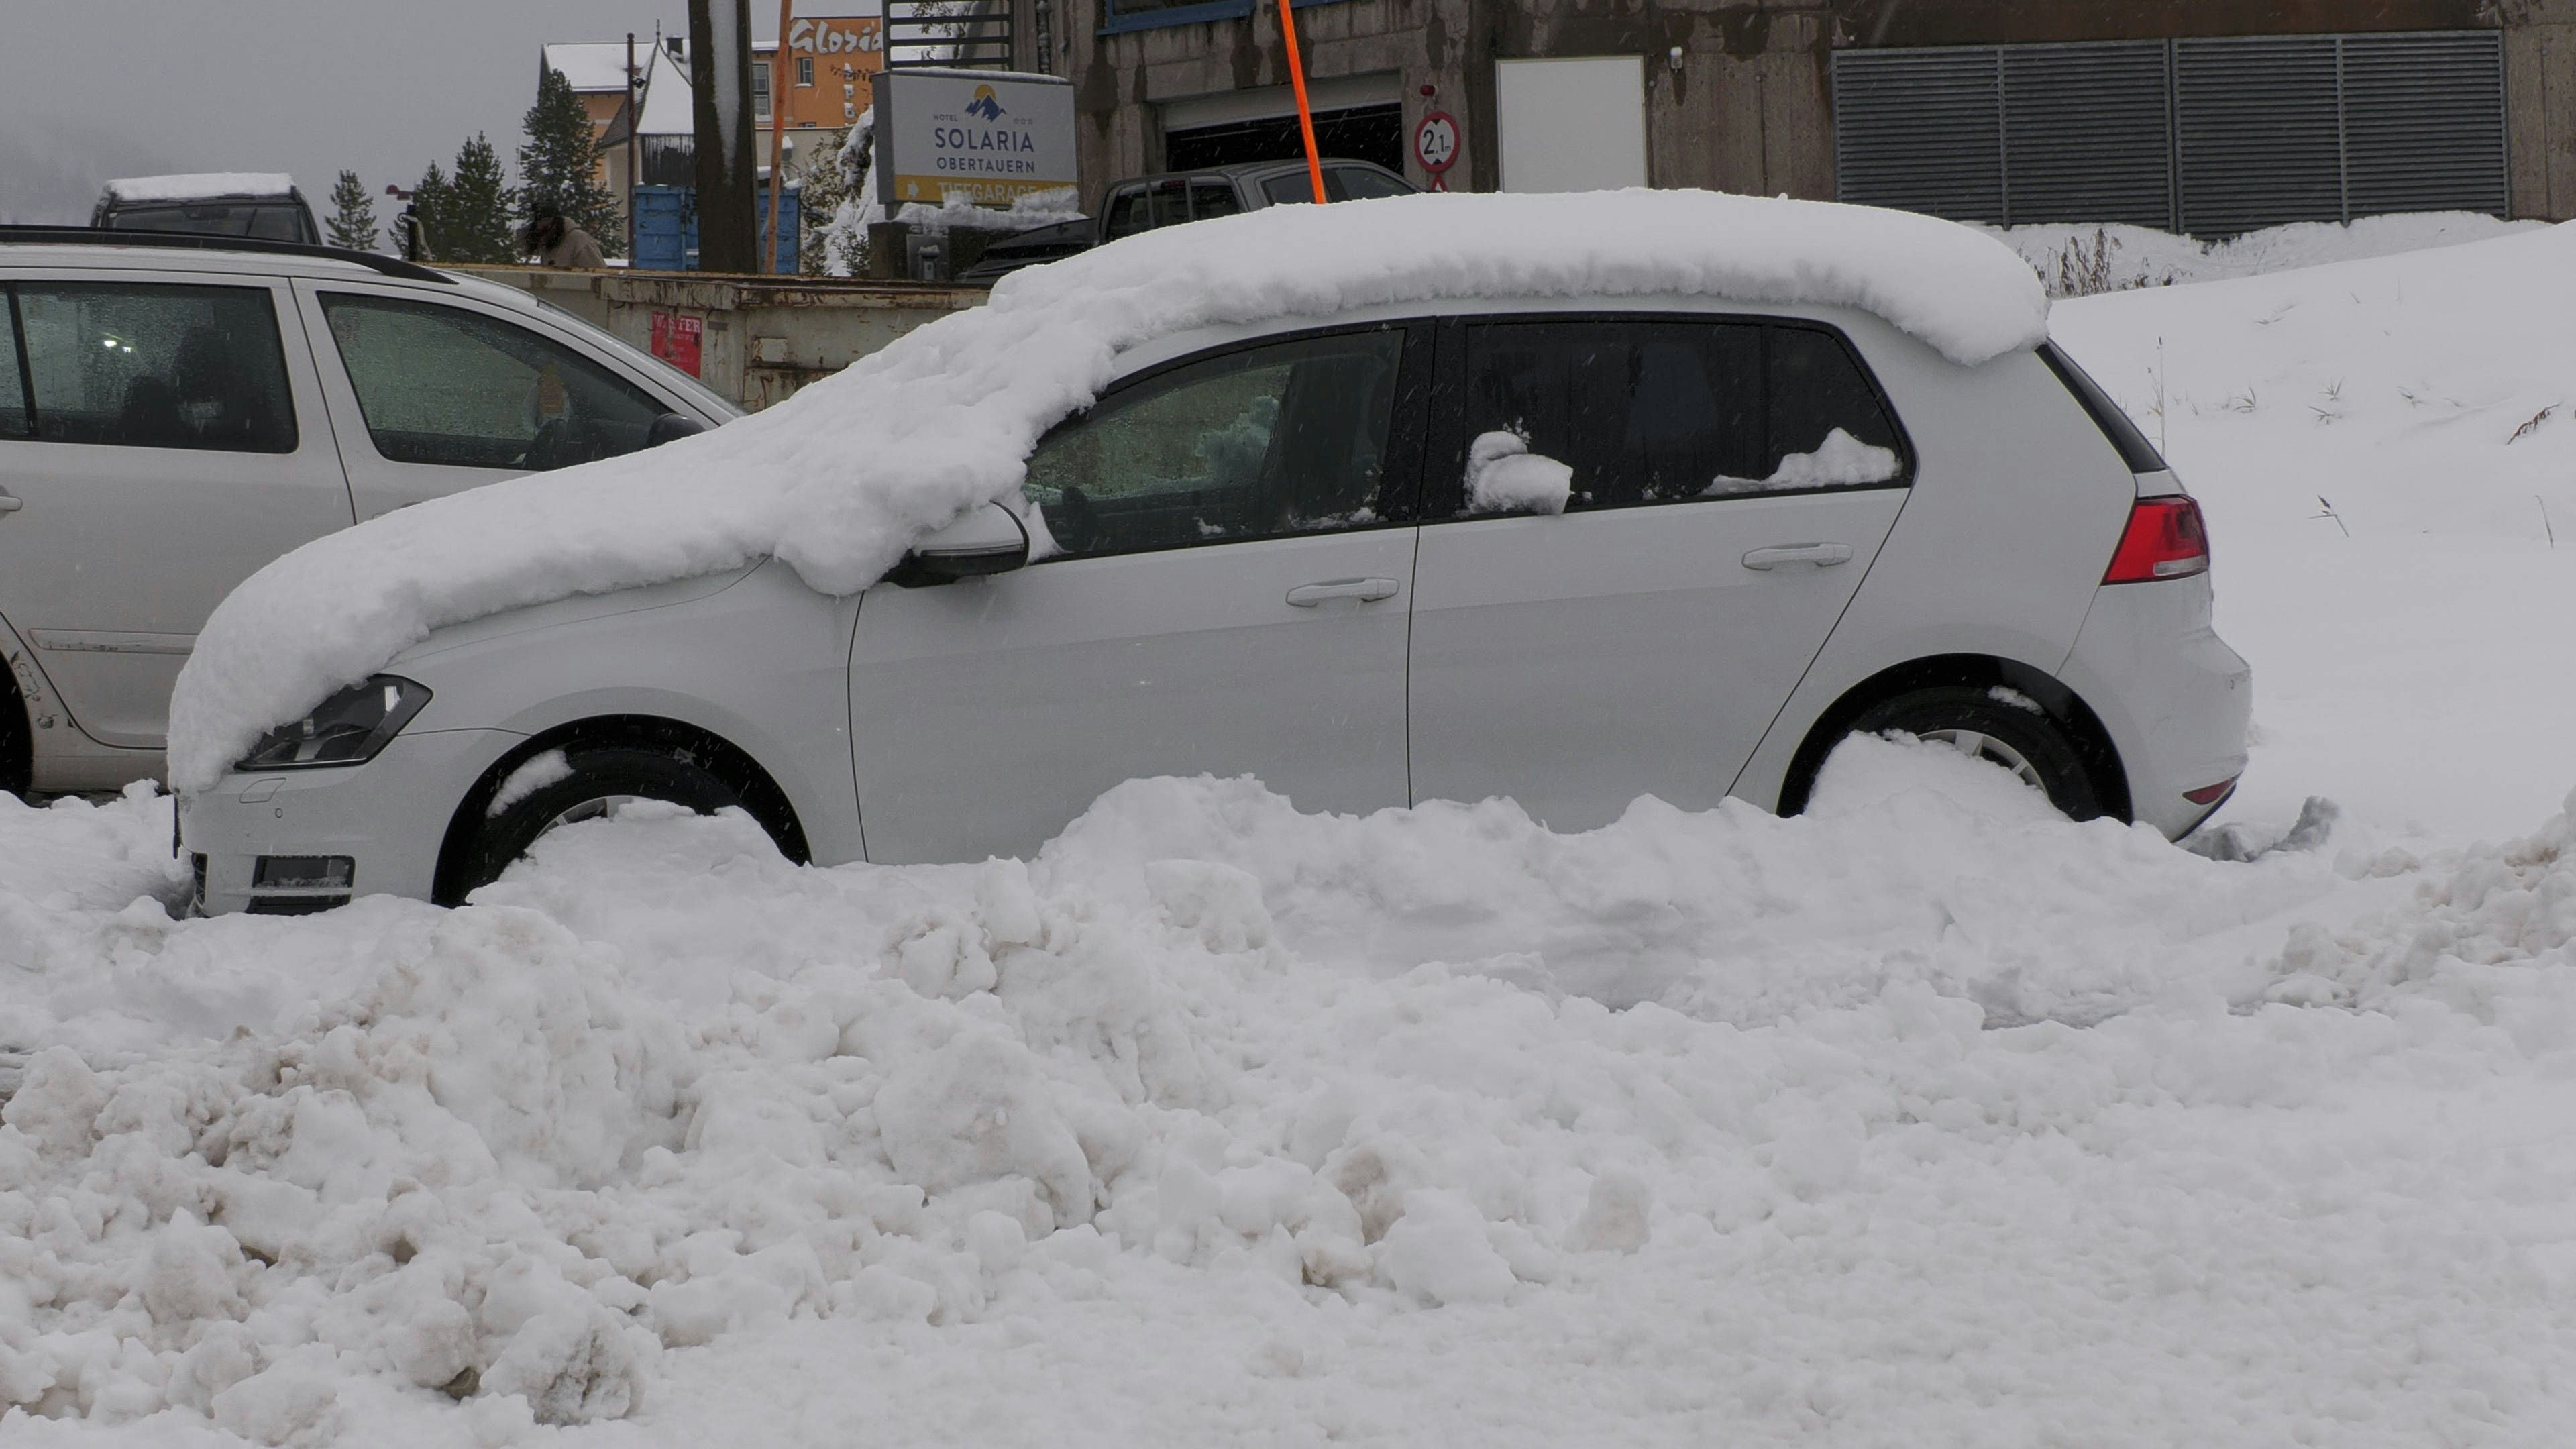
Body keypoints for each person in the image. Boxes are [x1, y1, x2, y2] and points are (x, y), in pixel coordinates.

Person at [517, 205, 604, 269]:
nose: (540, 227)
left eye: (545, 225)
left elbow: (598, 275)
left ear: (556, 222)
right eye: (538, 224)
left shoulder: (579, 240)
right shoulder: (548, 242)